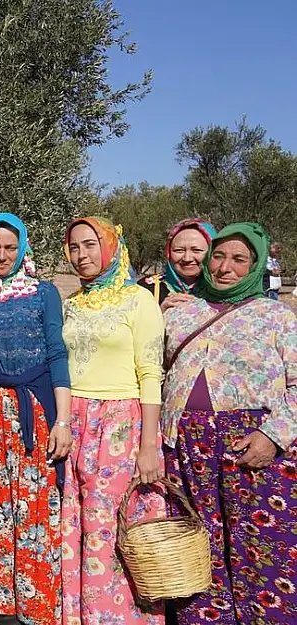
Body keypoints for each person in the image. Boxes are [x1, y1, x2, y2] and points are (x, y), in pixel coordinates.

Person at [162, 222, 297, 625]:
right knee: (199, 547)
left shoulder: (277, 317)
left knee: (261, 546)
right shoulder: (184, 311)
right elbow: (154, 370)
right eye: (218, 256)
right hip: (186, 444)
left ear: (255, 266)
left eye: (238, 259)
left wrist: (274, 436)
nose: (224, 267)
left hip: (253, 442)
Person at [59, 216, 165, 625]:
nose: (82, 255)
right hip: (77, 420)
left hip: (120, 424)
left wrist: (149, 445)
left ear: (110, 246)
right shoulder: (71, 304)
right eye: (74, 247)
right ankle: (82, 613)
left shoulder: (139, 301)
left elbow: (150, 372)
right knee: (78, 521)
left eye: (90, 245)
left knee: (110, 527)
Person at [0, 213, 72, 625]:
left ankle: (37, 603)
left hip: (36, 411)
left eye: (10, 247)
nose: (2, 255)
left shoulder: (43, 293)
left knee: (36, 508)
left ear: (23, 249)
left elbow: (56, 353)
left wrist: (62, 420)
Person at [140, 218, 217, 311]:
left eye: (197, 250)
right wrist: (159, 313)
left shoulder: (221, 288)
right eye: (179, 250)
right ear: (168, 253)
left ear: (212, 253)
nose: (187, 258)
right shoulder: (146, 289)